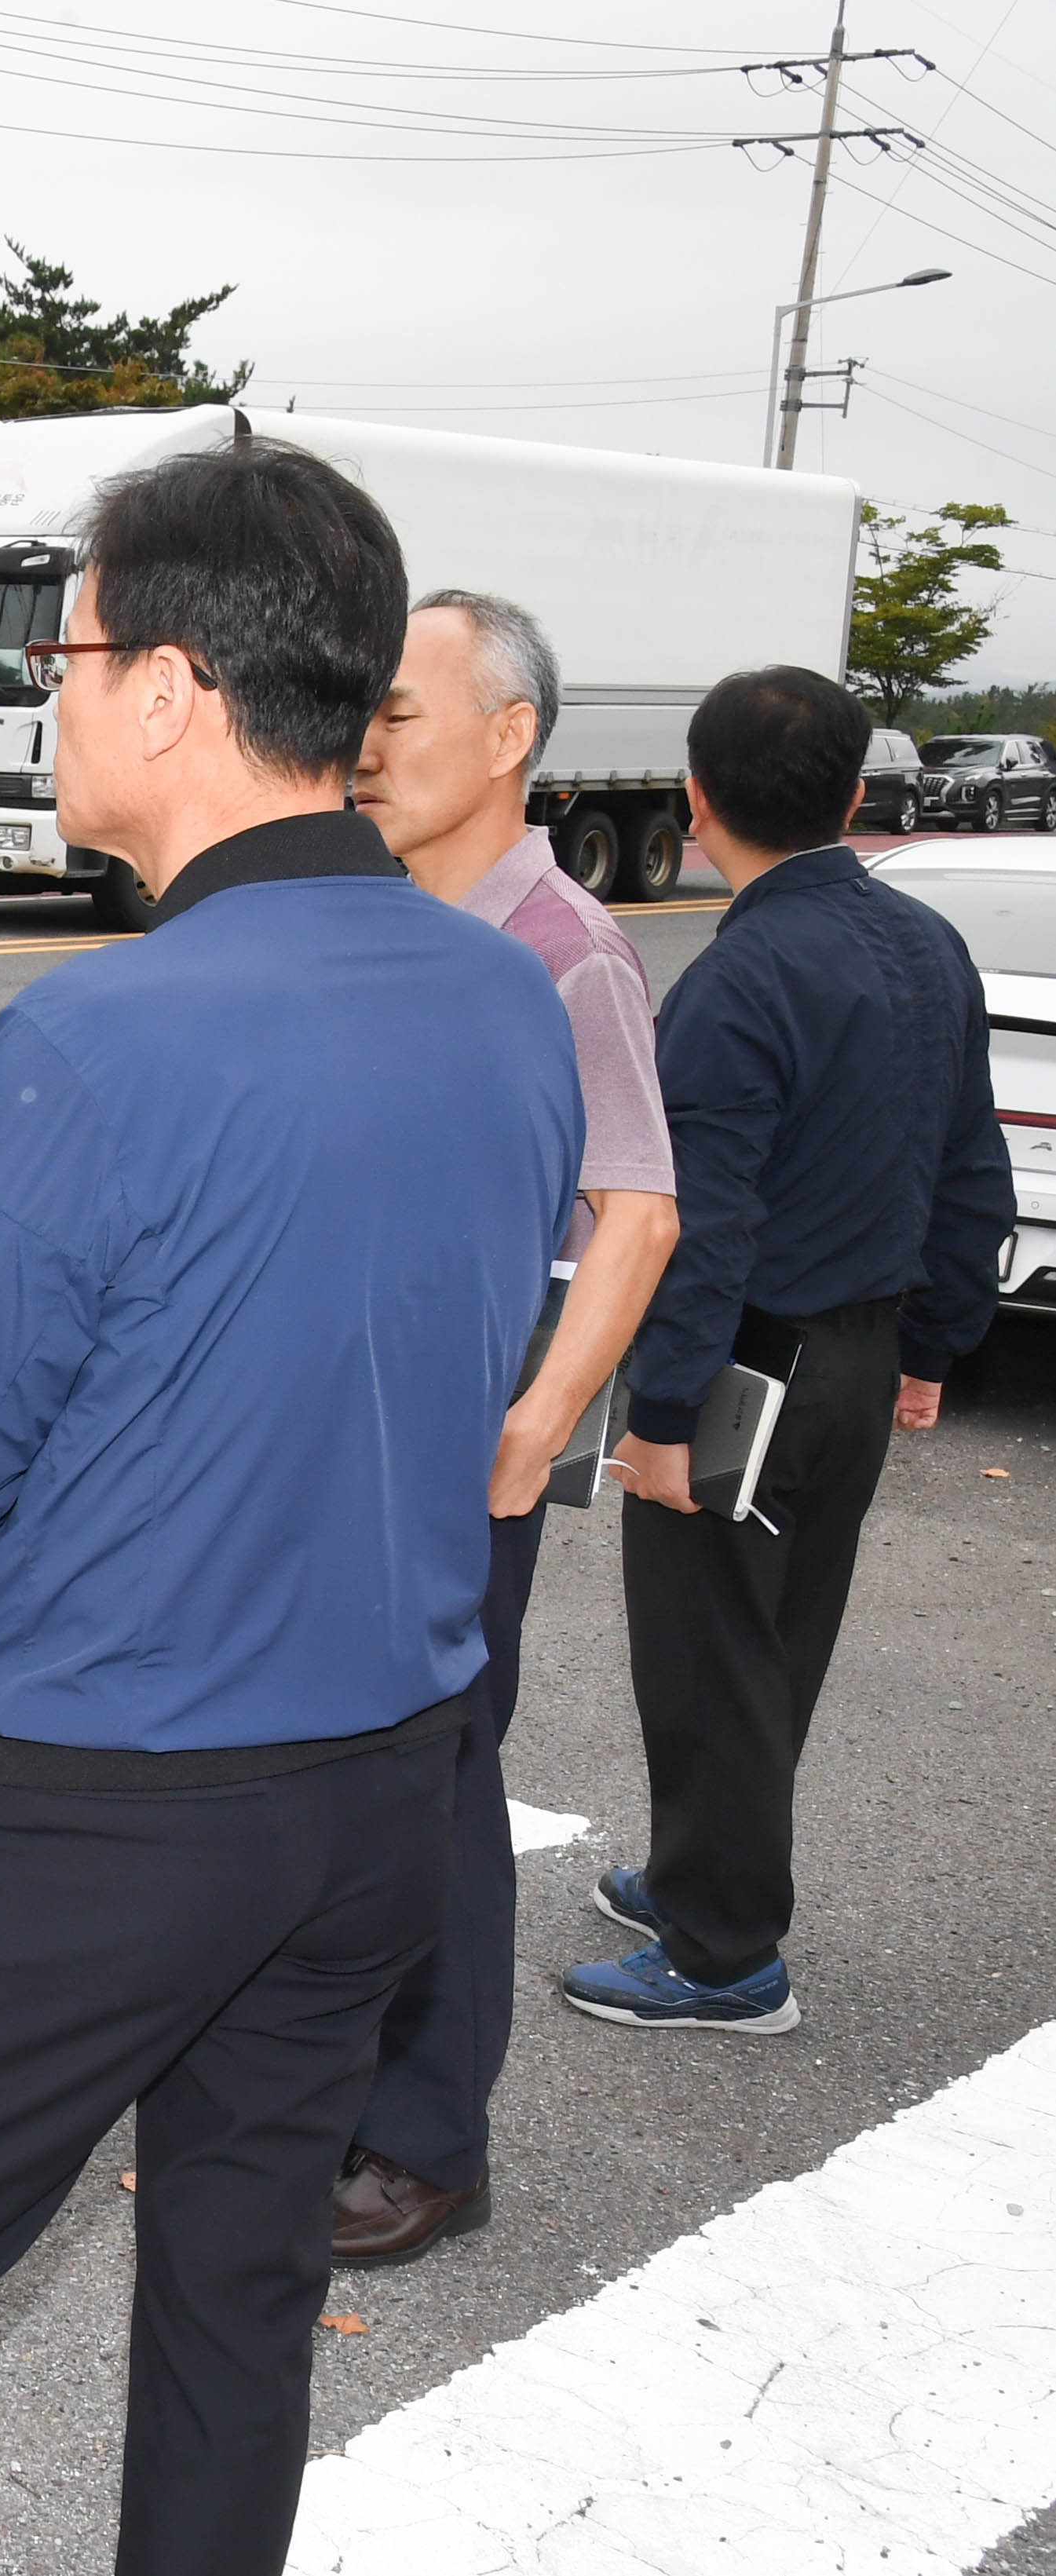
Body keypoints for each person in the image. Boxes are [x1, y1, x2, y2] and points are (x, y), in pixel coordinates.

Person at [0, 442, 579, 2575]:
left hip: (115, 1786)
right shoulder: (505, 992)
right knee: (235, 2292)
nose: (50, 695)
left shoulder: (99, 1028)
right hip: (386, 1768)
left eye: (67, 653)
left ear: (170, 687)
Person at [574, 666, 1013, 2031]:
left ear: (695, 800)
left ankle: (722, 1955)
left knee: (708, 1652)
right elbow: (969, 1164)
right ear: (854, 792)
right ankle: (700, 1876)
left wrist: (657, 1413)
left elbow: (704, 1225)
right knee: (779, 1639)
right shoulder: (927, 946)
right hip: (860, 1356)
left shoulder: (740, 977)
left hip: (744, 1368)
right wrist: (936, 1340)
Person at [335, 591, 680, 2264]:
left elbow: (638, 1213)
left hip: (459, 1452)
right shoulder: (380, 918)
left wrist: (533, 1429)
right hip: (340, 1428)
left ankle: (428, 2142)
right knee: (330, 1776)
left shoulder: (564, 951)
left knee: (439, 1781)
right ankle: (316, 2096)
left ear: (509, 735)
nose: (364, 744)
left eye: (399, 712)